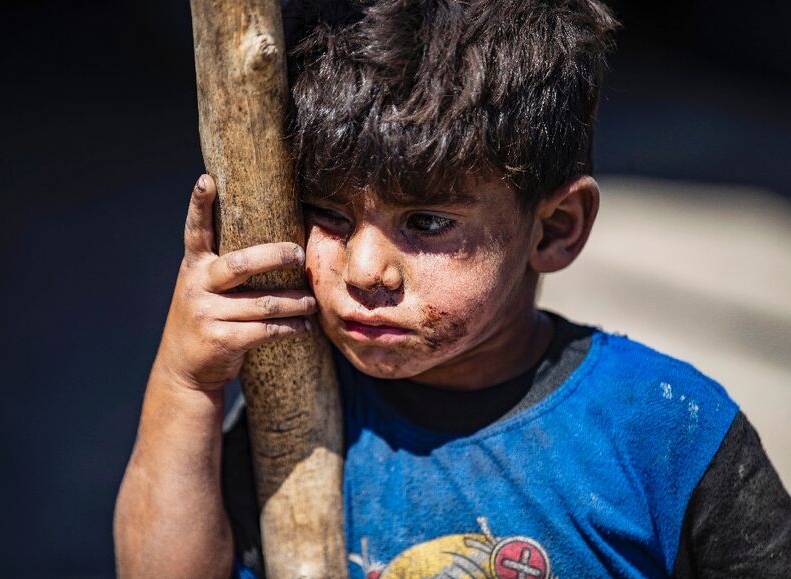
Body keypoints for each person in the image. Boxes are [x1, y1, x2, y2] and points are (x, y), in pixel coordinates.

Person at [113, 1, 791, 577]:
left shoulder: (664, 429)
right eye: (330, 214)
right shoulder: (295, 417)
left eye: (427, 221)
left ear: (555, 229)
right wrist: (186, 384)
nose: (364, 269)